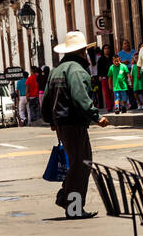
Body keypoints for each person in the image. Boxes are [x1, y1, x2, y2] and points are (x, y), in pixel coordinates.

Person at [42, 30, 109, 218]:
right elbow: (81, 98)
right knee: (81, 164)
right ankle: (72, 205)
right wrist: (97, 117)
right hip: (74, 123)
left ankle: (68, 198)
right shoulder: (78, 71)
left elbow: (46, 99)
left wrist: (51, 120)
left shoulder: (56, 70)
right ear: (81, 52)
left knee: (79, 162)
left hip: (62, 123)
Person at [99, 44, 114, 111]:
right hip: (104, 77)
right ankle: (109, 107)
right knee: (107, 93)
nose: (107, 50)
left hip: (113, 77)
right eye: (105, 48)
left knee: (114, 92)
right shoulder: (100, 59)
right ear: (103, 50)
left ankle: (116, 106)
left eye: (108, 48)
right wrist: (100, 76)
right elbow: (99, 69)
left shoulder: (113, 58)